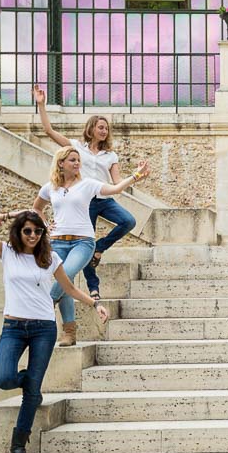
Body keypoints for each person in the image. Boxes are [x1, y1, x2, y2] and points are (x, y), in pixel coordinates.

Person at [0, 210, 109, 453]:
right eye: (28, 231)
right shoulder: (7, 253)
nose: (33, 235)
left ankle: (18, 447)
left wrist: (95, 303)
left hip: (43, 329)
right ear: (19, 232)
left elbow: (68, 288)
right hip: (13, 327)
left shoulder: (50, 257)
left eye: (38, 231)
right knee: (5, 378)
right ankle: (31, 386)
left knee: (32, 391)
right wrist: (9, 214)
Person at [33, 146, 149, 346]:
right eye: (72, 160)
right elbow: (36, 208)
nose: (77, 163)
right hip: (58, 241)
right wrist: (45, 225)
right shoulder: (50, 187)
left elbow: (115, 189)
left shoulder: (87, 184)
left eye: (78, 160)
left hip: (83, 242)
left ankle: (45, 306)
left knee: (65, 276)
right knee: (66, 282)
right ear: (61, 163)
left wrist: (136, 176)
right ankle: (69, 332)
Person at [32, 85, 138, 301]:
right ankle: (93, 288)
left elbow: (117, 182)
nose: (104, 131)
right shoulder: (76, 148)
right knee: (85, 243)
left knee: (128, 221)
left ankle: (100, 247)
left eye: (106, 128)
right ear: (91, 129)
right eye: (100, 127)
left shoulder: (111, 155)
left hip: (103, 199)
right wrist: (41, 105)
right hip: (83, 202)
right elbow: (49, 132)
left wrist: (133, 178)